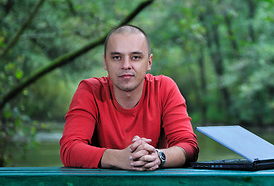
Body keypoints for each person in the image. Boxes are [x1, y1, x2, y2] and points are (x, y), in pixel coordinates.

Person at [60, 25, 199, 171]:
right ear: (105, 62)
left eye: (136, 57)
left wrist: (158, 156)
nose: (126, 65)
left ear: (149, 62)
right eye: (116, 57)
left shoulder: (164, 88)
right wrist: (118, 158)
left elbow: (189, 147)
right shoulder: (90, 91)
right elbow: (69, 150)